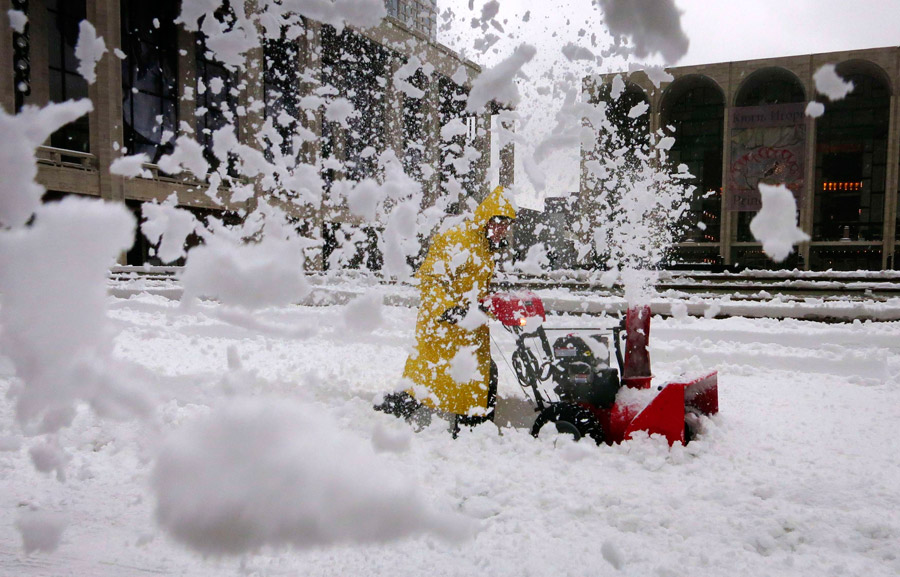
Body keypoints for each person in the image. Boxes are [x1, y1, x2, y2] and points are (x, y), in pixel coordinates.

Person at [376, 186, 516, 434]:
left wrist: (494, 306)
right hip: (443, 328)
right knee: (437, 375)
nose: (502, 230)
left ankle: (472, 425)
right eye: (499, 223)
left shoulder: (485, 248)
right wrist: (448, 309)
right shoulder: (458, 239)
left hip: (465, 330)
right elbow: (431, 278)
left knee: (463, 376)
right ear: (486, 220)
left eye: (506, 225)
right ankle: (472, 428)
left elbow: (474, 289)